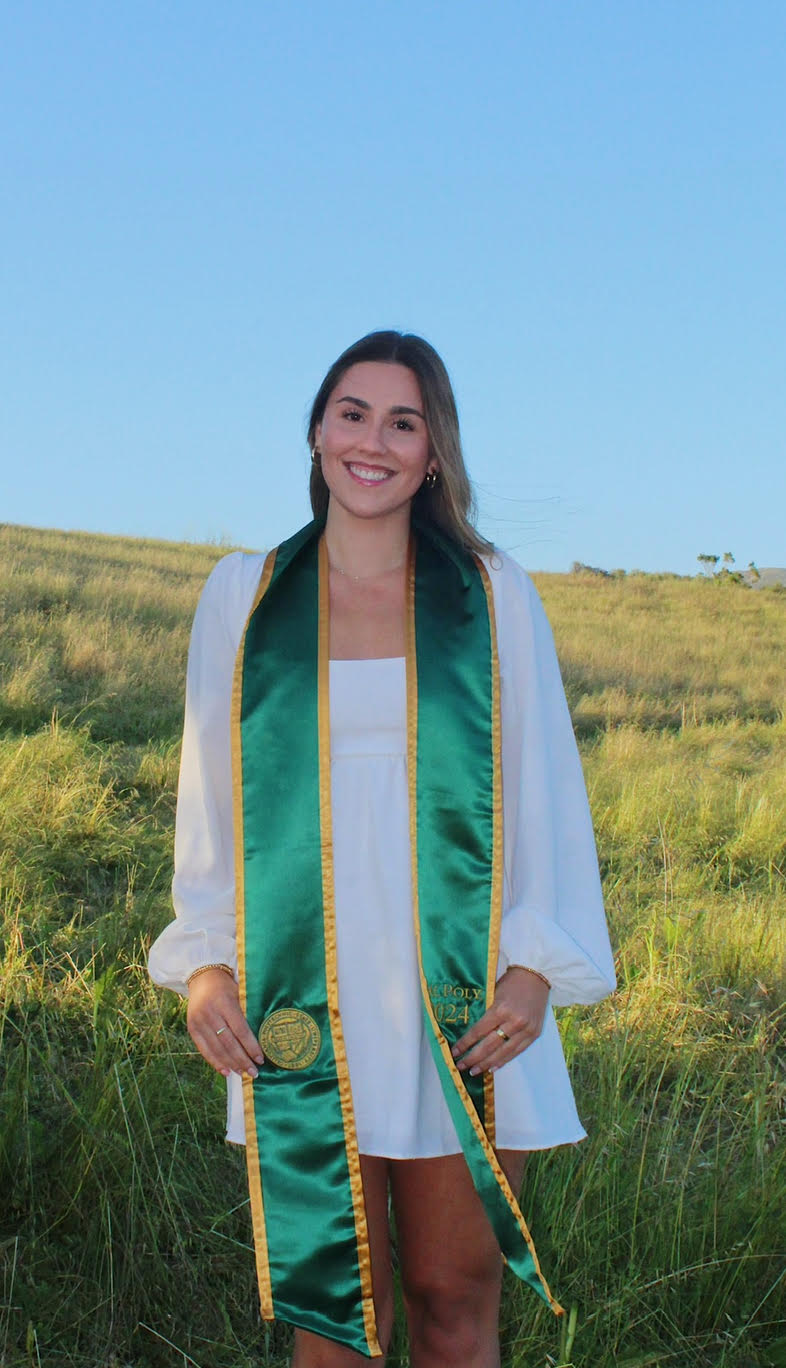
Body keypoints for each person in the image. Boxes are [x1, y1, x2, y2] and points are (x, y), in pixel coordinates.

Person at [148, 330, 616, 1368]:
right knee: (334, 1312)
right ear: (318, 430)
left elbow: (545, 784)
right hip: (304, 988)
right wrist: (206, 963)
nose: (373, 441)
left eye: (404, 422)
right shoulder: (246, 594)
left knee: (453, 1296)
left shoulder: (491, 592)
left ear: (434, 453)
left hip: (464, 988)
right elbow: (209, 793)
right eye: (352, 413)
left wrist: (537, 963)